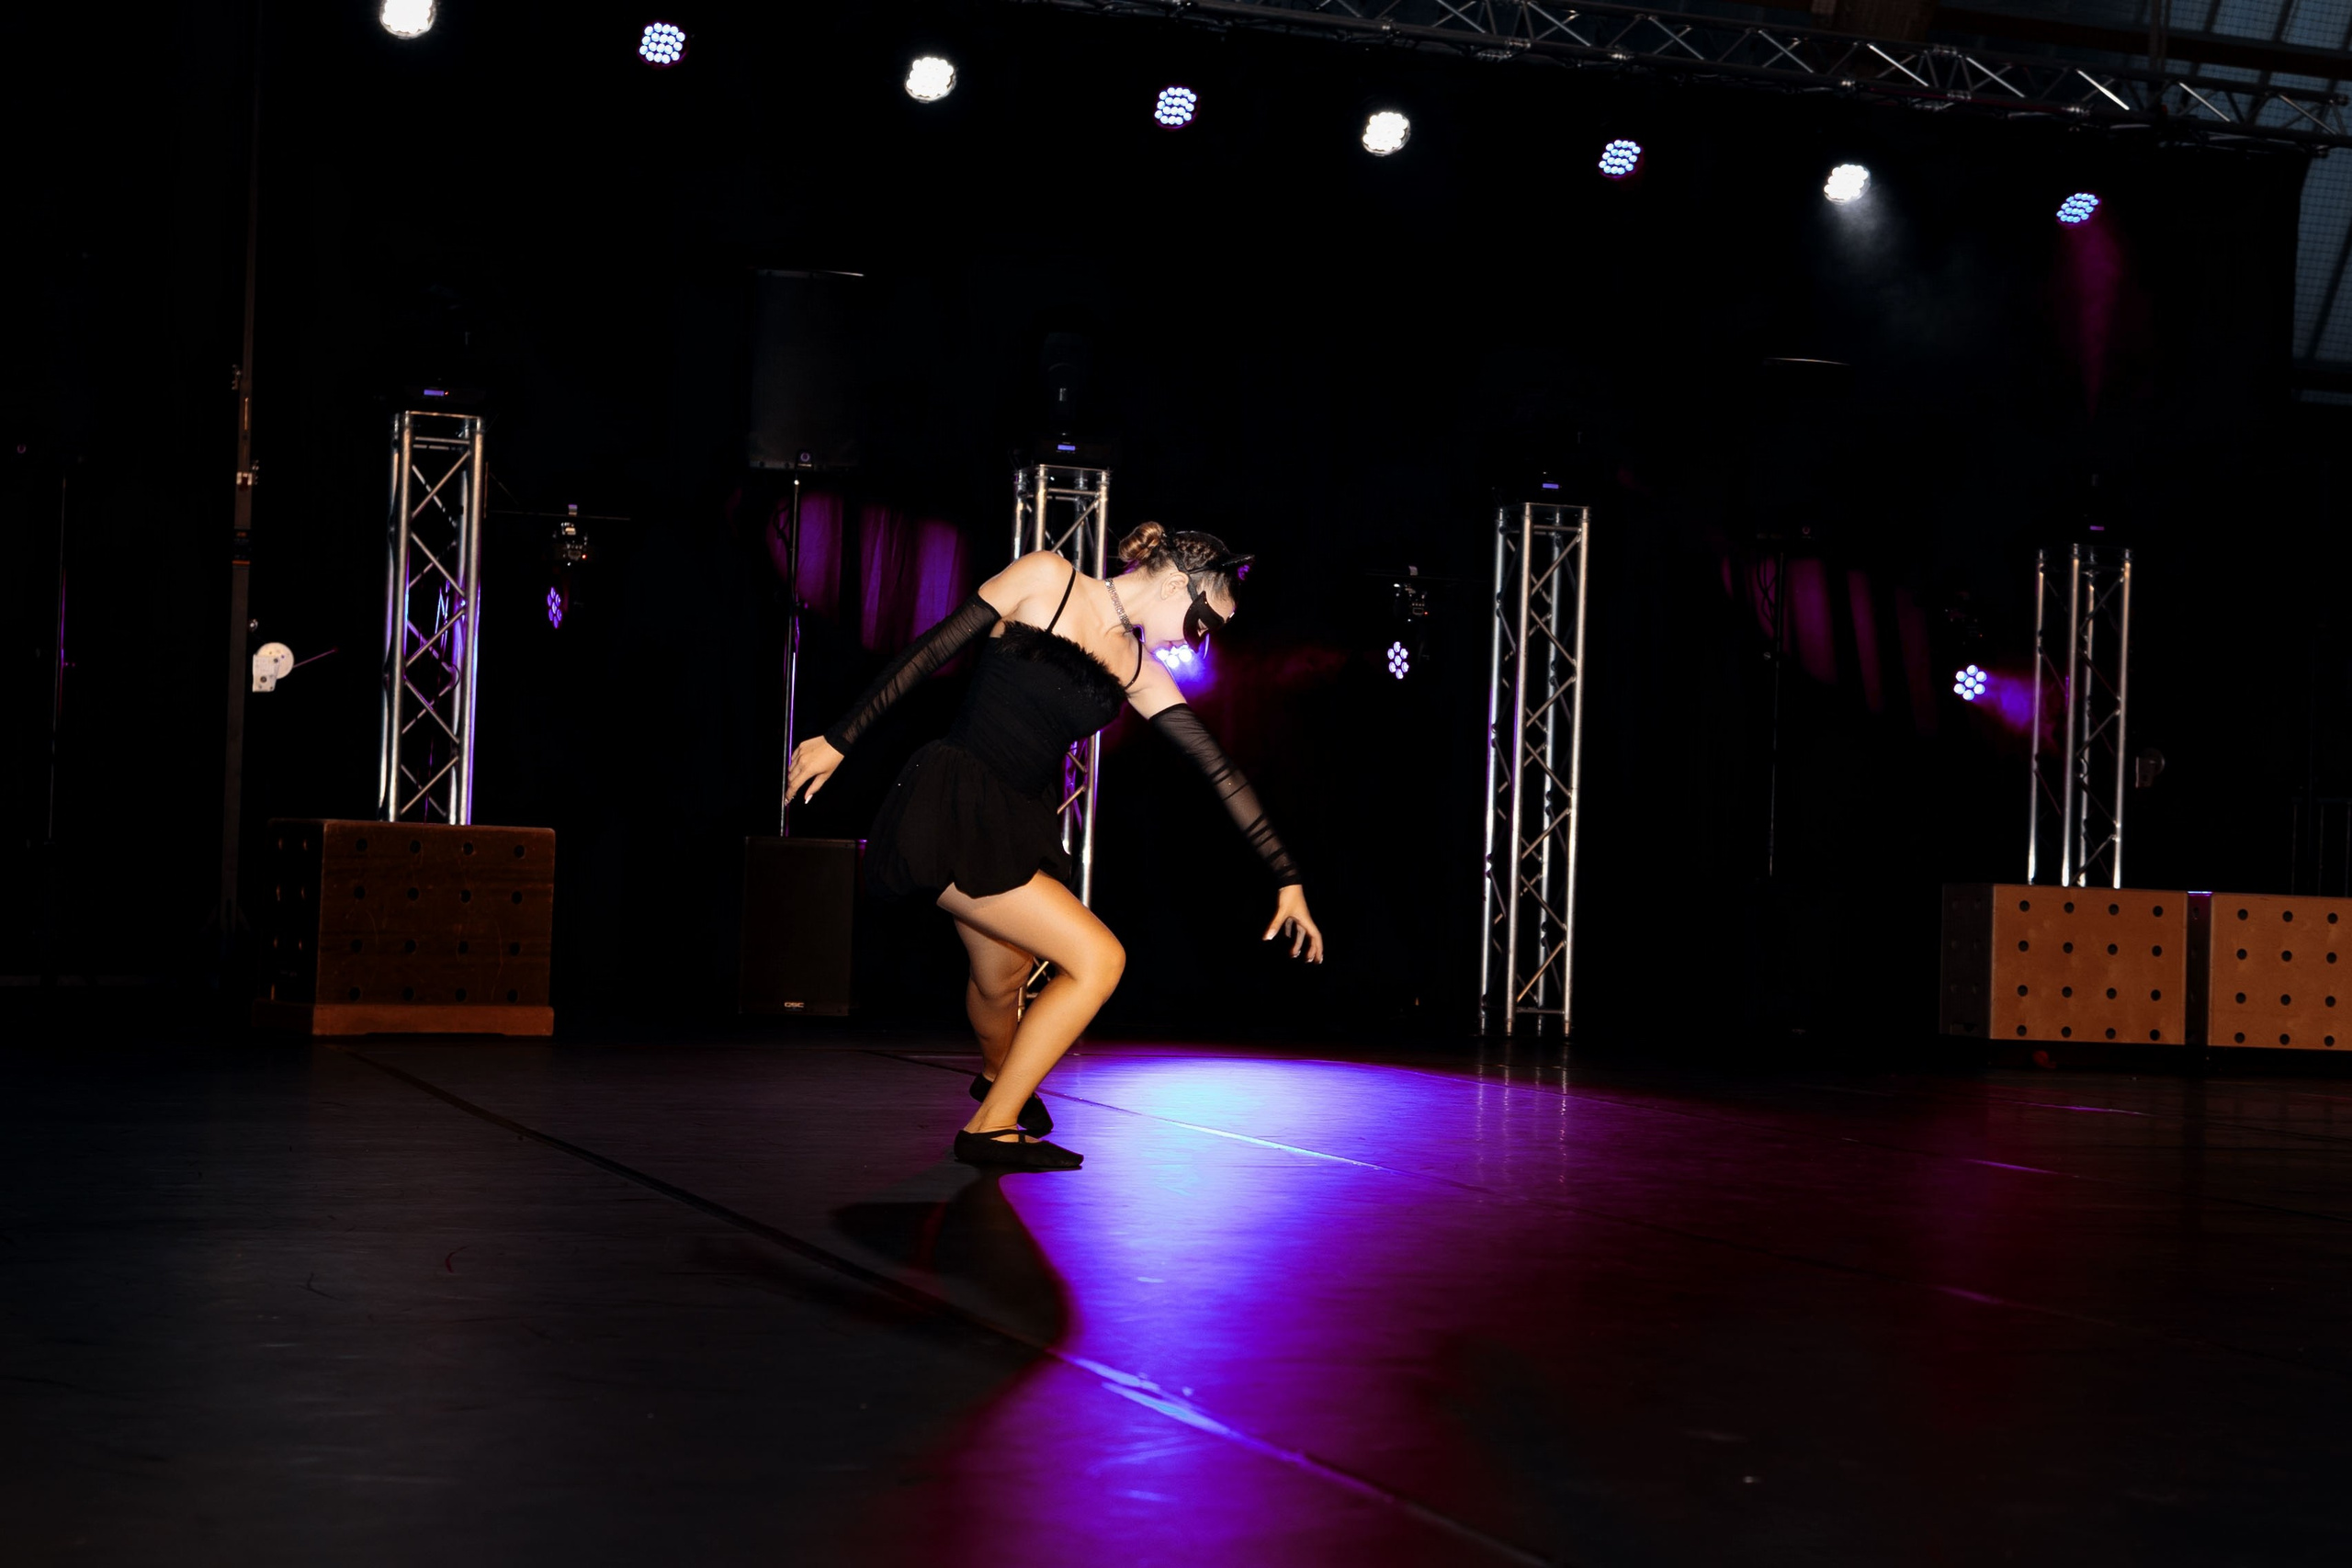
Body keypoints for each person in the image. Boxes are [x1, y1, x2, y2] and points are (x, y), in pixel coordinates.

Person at [786, 523, 1323, 1171]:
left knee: (1001, 974)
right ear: (1180, 583)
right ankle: (992, 1125)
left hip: (1018, 820)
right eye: (1207, 618)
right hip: (955, 803)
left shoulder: (1137, 667)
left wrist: (1286, 876)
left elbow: (1222, 772)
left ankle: (996, 1078)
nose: (1201, 639)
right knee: (1099, 960)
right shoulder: (1048, 578)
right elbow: (932, 649)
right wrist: (840, 738)